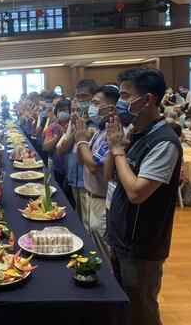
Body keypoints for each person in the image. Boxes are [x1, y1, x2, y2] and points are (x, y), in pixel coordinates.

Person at [104, 67, 182, 325]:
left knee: (141, 310)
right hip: (120, 236)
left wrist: (118, 151)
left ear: (147, 99)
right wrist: (113, 146)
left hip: (141, 244)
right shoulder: (134, 133)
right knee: (123, 305)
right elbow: (109, 176)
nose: (120, 103)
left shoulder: (164, 142)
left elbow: (137, 192)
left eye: (125, 96)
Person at [74, 85, 120, 269]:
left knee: (106, 256)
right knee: (95, 251)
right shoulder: (100, 130)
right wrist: (81, 138)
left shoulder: (113, 134)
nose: (90, 107)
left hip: (103, 201)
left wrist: (82, 141)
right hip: (90, 197)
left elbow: (94, 166)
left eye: (95, 103)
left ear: (110, 109)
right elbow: (80, 161)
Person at [56, 79, 98, 218]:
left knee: (90, 223)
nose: (80, 100)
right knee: (78, 218)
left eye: (84, 96)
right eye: (78, 96)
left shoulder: (100, 121)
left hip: (91, 181)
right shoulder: (75, 119)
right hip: (74, 176)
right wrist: (77, 133)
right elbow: (62, 149)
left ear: (94, 97)